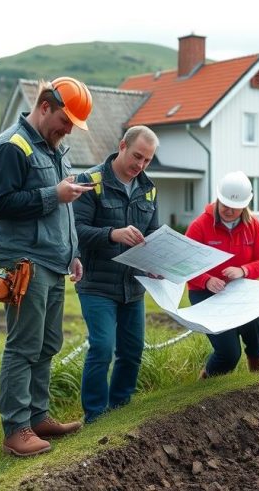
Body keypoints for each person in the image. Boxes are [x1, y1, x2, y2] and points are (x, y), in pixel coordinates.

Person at [0, 77, 94, 457]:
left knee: (48, 343)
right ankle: (16, 430)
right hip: (22, 262)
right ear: (45, 106)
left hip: (53, 260)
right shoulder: (10, 148)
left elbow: (64, 209)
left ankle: (38, 417)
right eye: (65, 121)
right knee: (23, 345)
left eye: (73, 126)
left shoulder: (55, 149)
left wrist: (74, 251)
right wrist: (53, 194)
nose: (67, 130)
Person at [73, 125, 161, 423]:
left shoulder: (149, 189)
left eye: (147, 160)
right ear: (122, 145)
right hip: (96, 284)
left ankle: (120, 409)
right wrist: (113, 234)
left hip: (133, 286)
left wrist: (157, 265)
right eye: (137, 156)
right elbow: (77, 232)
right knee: (102, 348)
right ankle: (95, 416)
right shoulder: (90, 182)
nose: (140, 165)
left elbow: (152, 236)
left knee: (133, 350)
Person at [185, 171, 259, 378]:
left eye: (235, 208)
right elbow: (184, 264)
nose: (228, 210)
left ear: (245, 205)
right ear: (217, 198)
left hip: (241, 290)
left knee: (255, 318)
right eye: (224, 204)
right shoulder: (199, 226)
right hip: (205, 294)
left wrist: (244, 270)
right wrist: (206, 280)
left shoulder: (253, 225)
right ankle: (207, 379)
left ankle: (256, 361)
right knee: (228, 353)